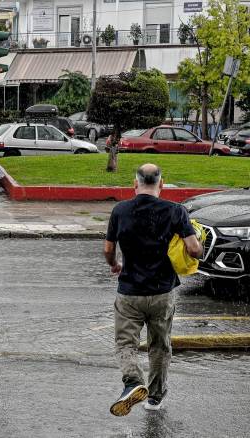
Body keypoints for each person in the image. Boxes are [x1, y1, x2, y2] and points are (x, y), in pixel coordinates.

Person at [104, 164, 203, 416]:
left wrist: (115, 264)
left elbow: (108, 249)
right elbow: (193, 250)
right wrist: (199, 244)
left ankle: (132, 381)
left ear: (134, 184)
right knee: (159, 346)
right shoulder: (176, 211)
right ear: (162, 184)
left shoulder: (120, 210)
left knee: (125, 343)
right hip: (162, 291)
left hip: (129, 292)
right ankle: (155, 397)